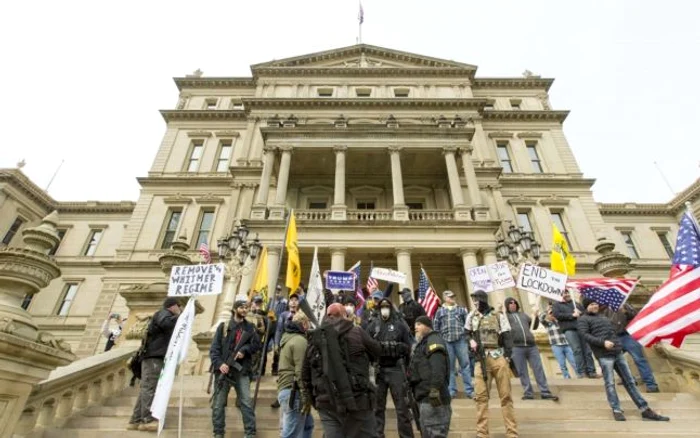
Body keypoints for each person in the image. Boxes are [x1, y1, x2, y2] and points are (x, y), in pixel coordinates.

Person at [577, 297, 669, 422]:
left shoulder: (603, 316)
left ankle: (644, 409)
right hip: (604, 355)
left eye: (596, 304)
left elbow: (613, 332)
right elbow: (585, 336)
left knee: (630, 381)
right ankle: (617, 410)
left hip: (617, 353)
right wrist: (603, 343)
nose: (595, 306)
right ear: (586, 306)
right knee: (610, 383)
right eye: (591, 304)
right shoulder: (583, 319)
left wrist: (618, 346)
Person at [301, 302, 382, 438]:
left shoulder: (315, 339)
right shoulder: (357, 332)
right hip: (358, 402)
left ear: (327, 316)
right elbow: (377, 352)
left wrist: (312, 398)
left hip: (326, 402)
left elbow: (305, 373)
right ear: (345, 315)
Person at [465, 290, 517, 438]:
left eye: (477, 300)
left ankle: (512, 432)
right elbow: (466, 333)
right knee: (480, 397)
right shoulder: (471, 316)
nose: (475, 303)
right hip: (480, 359)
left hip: (498, 356)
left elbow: (507, 335)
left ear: (483, 299)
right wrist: (471, 341)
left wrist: (507, 356)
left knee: (506, 396)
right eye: (473, 300)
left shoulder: (498, 315)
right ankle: (482, 433)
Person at [209, 296, 261, 438]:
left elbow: (257, 345)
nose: (245, 310)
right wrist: (220, 364)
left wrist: (245, 350)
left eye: (246, 307)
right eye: (242, 307)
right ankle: (218, 433)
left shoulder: (250, 328)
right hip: (223, 372)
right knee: (218, 405)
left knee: (246, 402)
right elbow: (214, 350)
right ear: (234, 309)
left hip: (241, 370)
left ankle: (250, 433)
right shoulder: (224, 326)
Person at [127, 297, 181, 431]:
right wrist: (181, 316)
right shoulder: (164, 313)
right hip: (154, 357)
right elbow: (165, 323)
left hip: (154, 356)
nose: (179, 310)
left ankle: (135, 420)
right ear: (173, 306)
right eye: (179, 307)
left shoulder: (165, 314)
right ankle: (147, 420)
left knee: (147, 387)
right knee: (150, 388)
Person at [367, 298, 414, 438]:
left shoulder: (400, 325)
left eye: (387, 306)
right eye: (382, 306)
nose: (384, 308)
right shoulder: (373, 326)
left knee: (402, 409)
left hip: (396, 369)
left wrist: (398, 348)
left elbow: (409, 346)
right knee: (377, 409)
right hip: (378, 370)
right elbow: (366, 346)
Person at [504, 297, 558, 401]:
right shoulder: (506, 317)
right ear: (507, 305)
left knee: (538, 369)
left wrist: (536, 316)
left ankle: (545, 391)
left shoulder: (523, 315)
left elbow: (533, 326)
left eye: (514, 302)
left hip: (531, 346)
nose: (513, 304)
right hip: (516, 347)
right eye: (510, 303)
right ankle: (528, 392)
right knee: (522, 371)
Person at [408, 315, 451, 438]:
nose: (416, 327)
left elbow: (438, 367)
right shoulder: (422, 343)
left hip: (434, 399)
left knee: (435, 432)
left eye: (419, 324)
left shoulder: (434, 341)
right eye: (415, 324)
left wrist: (434, 389)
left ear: (428, 326)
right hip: (424, 398)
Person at [603, 303, 660, 392]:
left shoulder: (625, 304)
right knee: (617, 361)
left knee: (639, 360)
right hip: (614, 338)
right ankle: (629, 379)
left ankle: (651, 385)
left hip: (628, 336)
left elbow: (636, 316)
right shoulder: (604, 308)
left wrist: (626, 311)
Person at [277, 311, 314, 438]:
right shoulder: (299, 341)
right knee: (291, 433)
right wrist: (305, 394)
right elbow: (300, 371)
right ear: (304, 323)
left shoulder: (288, 338)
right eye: (308, 323)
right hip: (294, 391)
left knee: (308, 425)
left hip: (287, 389)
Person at [432, 290, 474, 399]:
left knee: (465, 365)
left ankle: (469, 390)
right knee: (449, 367)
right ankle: (451, 391)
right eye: (450, 297)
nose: (452, 298)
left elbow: (467, 325)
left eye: (453, 296)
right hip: (446, 341)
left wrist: (468, 339)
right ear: (445, 298)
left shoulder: (461, 310)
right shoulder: (440, 311)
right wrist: (439, 340)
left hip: (460, 340)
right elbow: (436, 327)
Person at [553, 289, 598, 378]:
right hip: (569, 330)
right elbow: (557, 315)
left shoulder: (576, 303)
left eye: (567, 292)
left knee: (587, 350)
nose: (566, 294)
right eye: (564, 293)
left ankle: (591, 371)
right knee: (577, 350)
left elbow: (585, 313)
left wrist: (581, 312)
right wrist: (572, 315)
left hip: (582, 329)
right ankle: (581, 372)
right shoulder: (557, 305)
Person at [272, 292, 301, 408]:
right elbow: (279, 330)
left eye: (296, 300)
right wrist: (276, 344)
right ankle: (279, 396)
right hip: (285, 347)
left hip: (297, 347)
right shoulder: (284, 315)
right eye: (291, 300)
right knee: (282, 373)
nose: (293, 302)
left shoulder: (301, 315)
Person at [539, 303, 577, 379]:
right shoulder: (547, 324)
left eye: (553, 313)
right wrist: (546, 311)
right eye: (550, 314)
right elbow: (541, 319)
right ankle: (567, 378)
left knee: (574, 362)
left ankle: (579, 376)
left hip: (566, 344)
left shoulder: (561, 322)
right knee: (562, 364)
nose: (552, 315)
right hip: (556, 345)